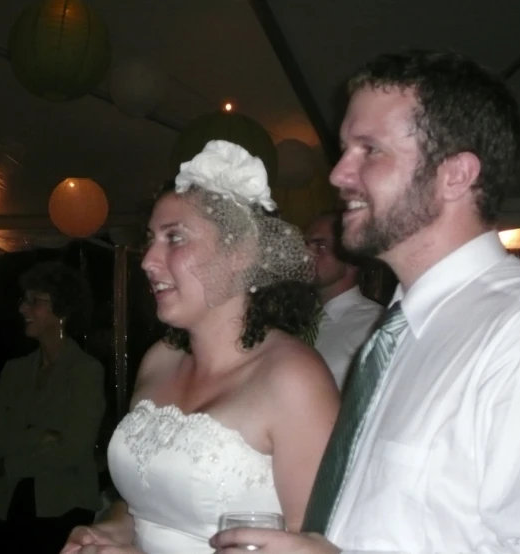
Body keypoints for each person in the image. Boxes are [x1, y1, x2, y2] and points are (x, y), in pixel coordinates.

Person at [212, 49, 520, 553]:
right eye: (344, 149)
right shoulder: (399, 335)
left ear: (456, 175)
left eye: (369, 150)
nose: (338, 174)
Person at [63, 140, 339, 554]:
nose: (147, 260)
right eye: (151, 238)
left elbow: (313, 544)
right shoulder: (159, 360)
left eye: (174, 238)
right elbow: (141, 501)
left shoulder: (294, 379)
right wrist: (115, 529)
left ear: (241, 253)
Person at [0, 262, 105, 553]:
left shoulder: (86, 371)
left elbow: (75, 450)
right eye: (23, 300)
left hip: (64, 507)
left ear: (63, 310)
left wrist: (8, 464)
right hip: (6, 504)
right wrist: (40, 436)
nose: (22, 309)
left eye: (34, 301)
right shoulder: (14, 370)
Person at [305, 212, 383, 387]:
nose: (306, 254)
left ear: (351, 259)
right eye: (305, 244)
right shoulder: (295, 318)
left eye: (321, 246)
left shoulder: (373, 325)